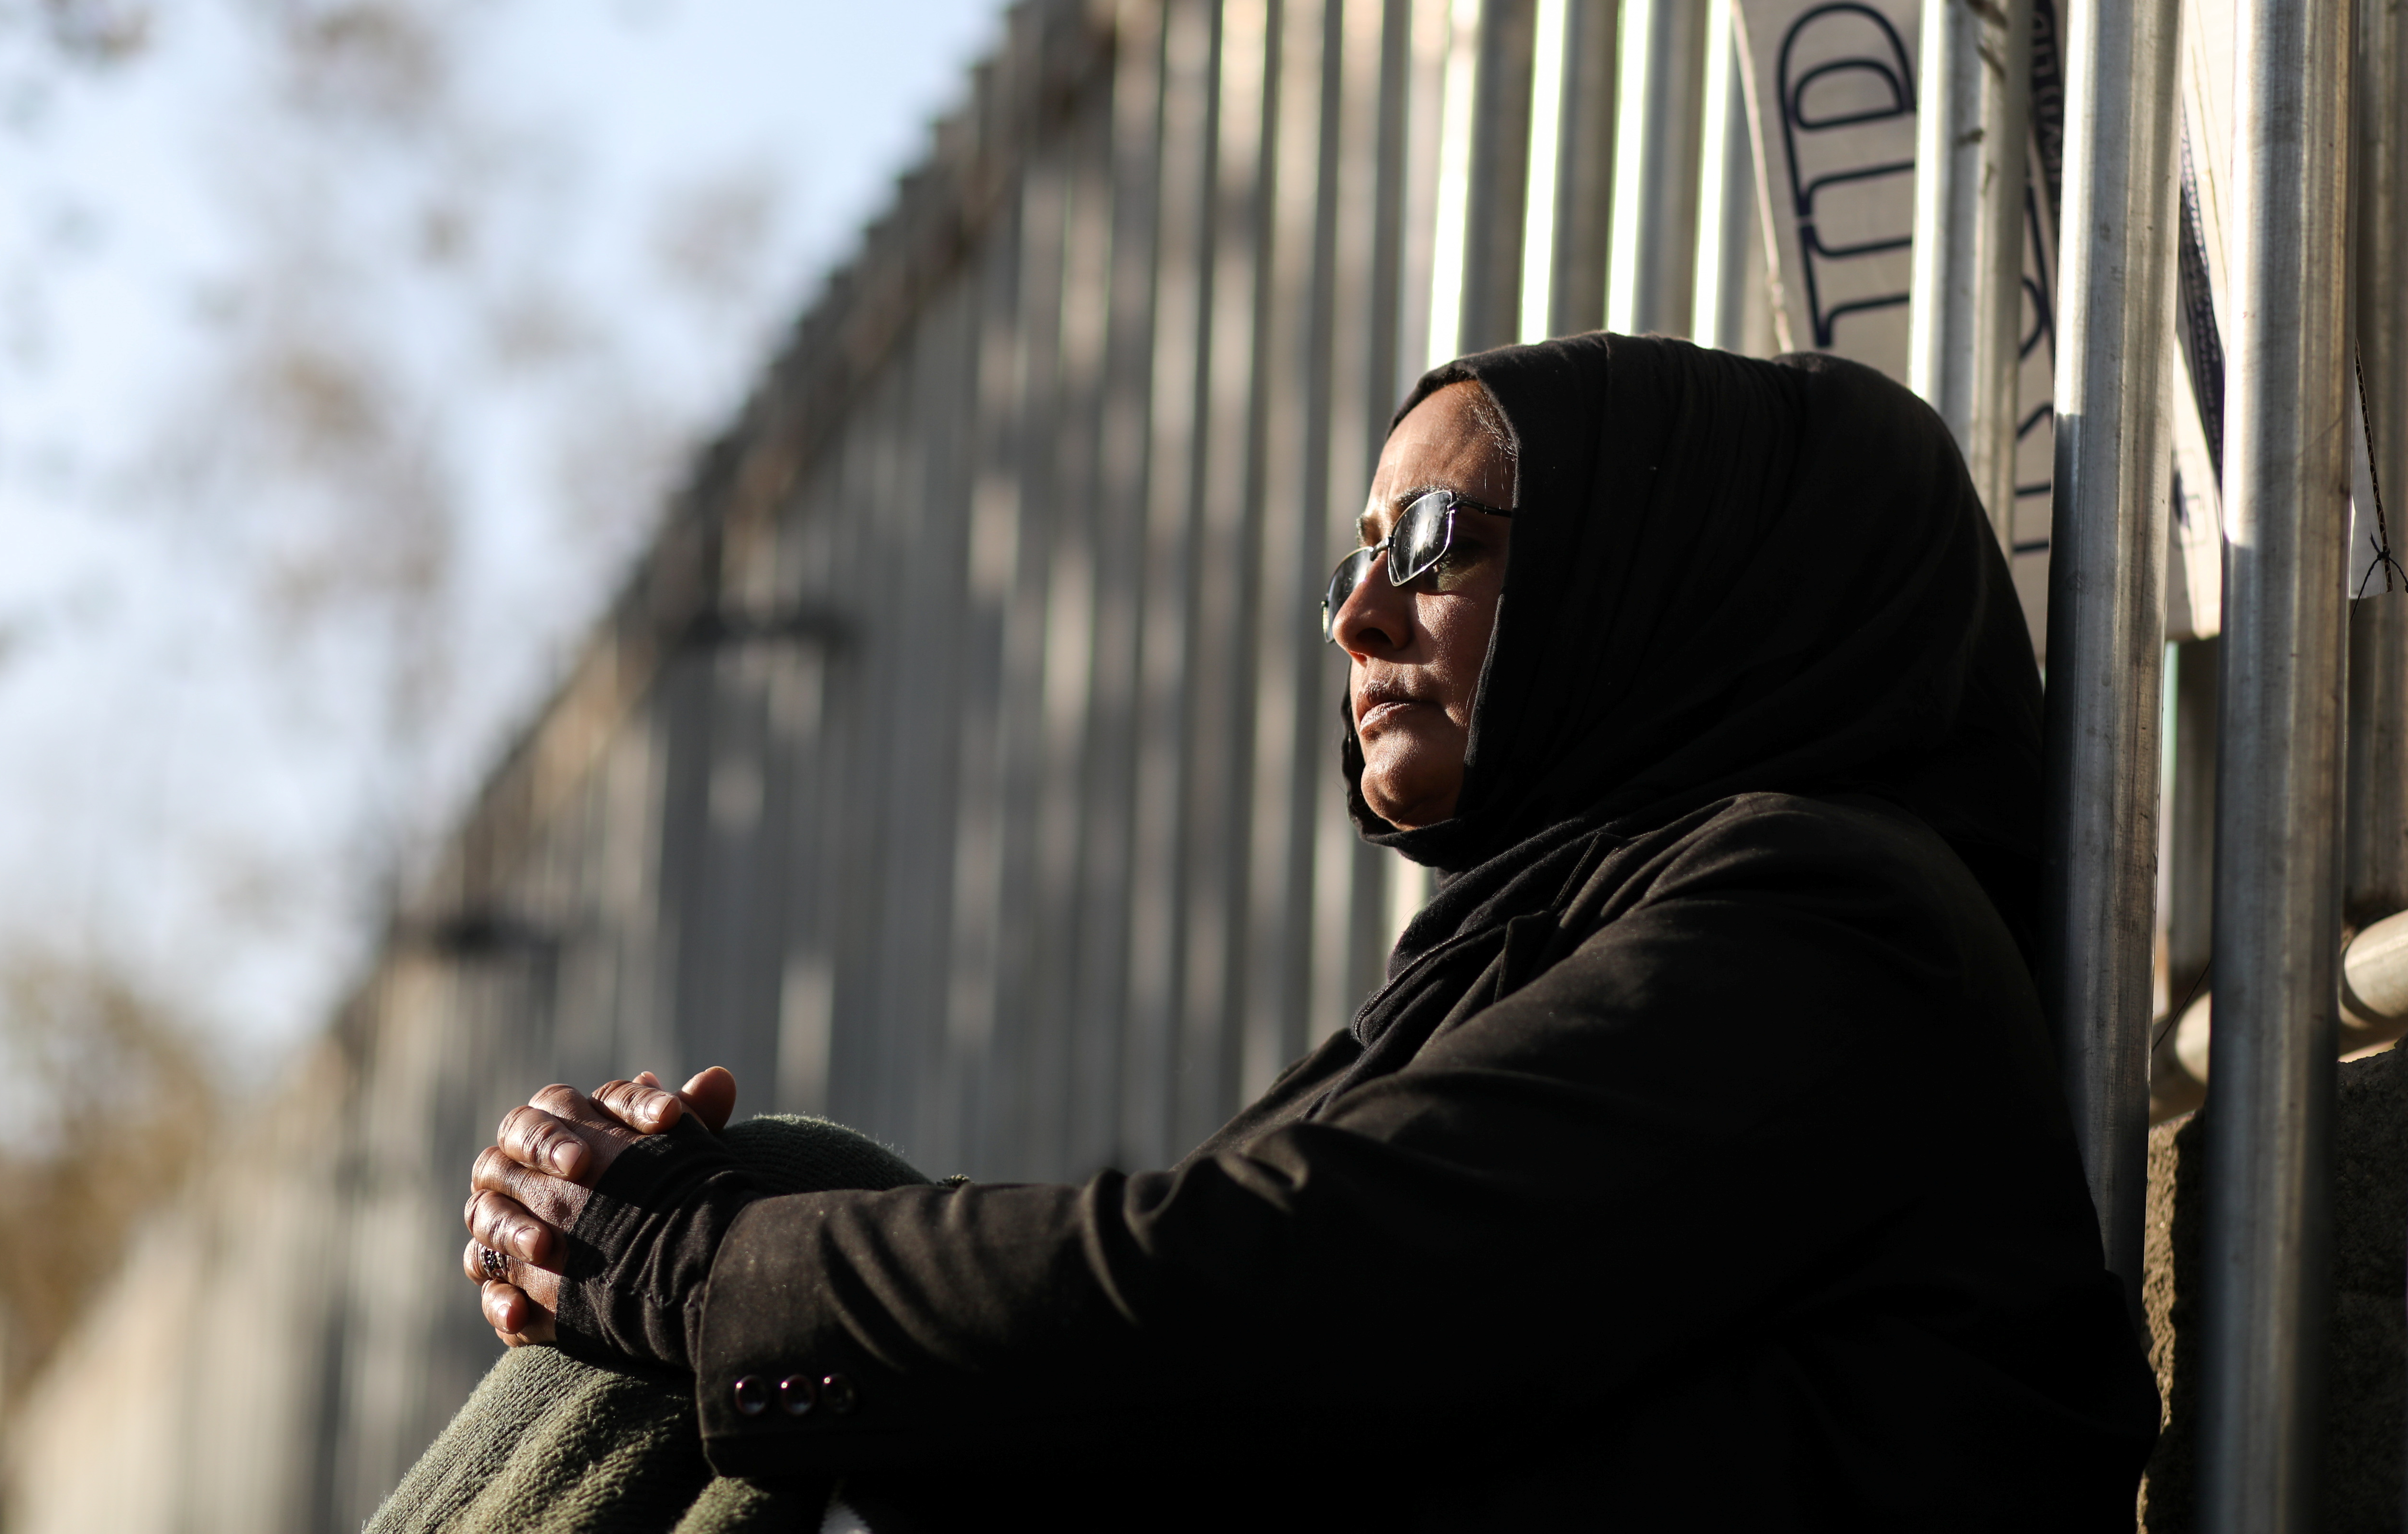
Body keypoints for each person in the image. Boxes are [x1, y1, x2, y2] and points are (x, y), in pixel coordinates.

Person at [443, 334, 2159, 1529]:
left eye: (1435, 542)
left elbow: (1270, 1290)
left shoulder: (1824, 921)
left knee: (745, 1269)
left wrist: (684, 1258)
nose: (1358, 615)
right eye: (1352, 559)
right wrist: (668, 1251)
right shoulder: (1546, 941)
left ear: (1675, 571)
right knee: (754, 1259)